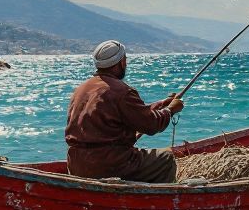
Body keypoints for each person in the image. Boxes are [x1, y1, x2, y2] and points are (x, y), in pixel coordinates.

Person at [65, 40, 185, 183]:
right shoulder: (123, 92)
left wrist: (159, 105)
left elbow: (127, 114)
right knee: (166, 159)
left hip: (76, 164)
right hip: (111, 164)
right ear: (121, 62)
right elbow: (152, 125)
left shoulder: (81, 90)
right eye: (125, 60)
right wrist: (171, 110)